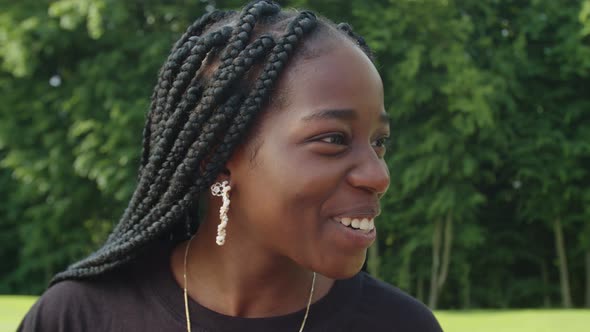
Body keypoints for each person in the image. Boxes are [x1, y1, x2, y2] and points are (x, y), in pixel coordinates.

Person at [18, 1, 442, 331]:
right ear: (217, 158)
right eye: (333, 139)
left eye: (379, 142)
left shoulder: (401, 326)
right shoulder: (77, 318)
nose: (378, 176)